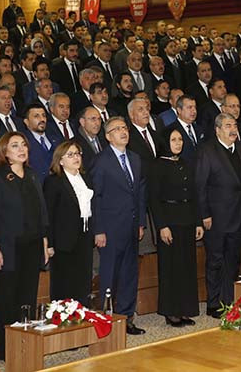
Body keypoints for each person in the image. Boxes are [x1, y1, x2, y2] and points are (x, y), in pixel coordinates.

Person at [0, 132, 50, 360]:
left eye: (23, 145)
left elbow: (41, 211)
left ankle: (25, 345)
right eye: (15, 145)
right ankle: (5, 351)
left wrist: (44, 240)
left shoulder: (32, 175)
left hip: (32, 246)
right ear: (4, 151)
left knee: (27, 298)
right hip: (7, 247)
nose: (22, 149)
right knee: (6, 300)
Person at [91, 116, 146, 335]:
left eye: (125, 128)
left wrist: (141, 221)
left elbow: (141, 192)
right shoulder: (101, 160)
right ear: (107, 136)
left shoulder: (135, 158)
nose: (123, 131)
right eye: (117, 129)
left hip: (132, 226)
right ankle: (104, 322)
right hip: (110, 228)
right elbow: (96, 197)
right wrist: (99, 229)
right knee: (109, 275)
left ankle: (126, 319)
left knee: (129, 274)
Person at [196, 113, 241, 317]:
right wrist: (204, 214)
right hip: (216, 216)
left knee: (233, 259)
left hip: (240, 215)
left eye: (235, 125)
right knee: (215, 260)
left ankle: (229, 299)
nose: (233, 129)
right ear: (217, 129)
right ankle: (213, 303)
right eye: (228, 125)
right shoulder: (207, 150)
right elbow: (200, 185)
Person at [149, 127, 203, 327]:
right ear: (165, 142)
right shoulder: (157, 166)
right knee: (171, 267)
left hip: (188, 219)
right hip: (169, 221)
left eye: (180, 139)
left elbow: (195, 195)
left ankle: (185, 309)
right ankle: (171, 311)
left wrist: (198, 222)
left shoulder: (185, 163)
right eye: (173, 139)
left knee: (187, 267)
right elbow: (153, 199)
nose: (178, 143)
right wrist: (162, 226)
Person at [44, 141, 94, 305]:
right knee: (64, 282)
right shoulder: (54, 181)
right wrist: (49, 243)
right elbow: (48, 214)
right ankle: (62, 319)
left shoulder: (85, 177)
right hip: (63, 240)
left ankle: (82, 314)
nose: (76, 157)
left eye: (78, 153)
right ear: (60, 160)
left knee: (83, 279)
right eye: (70, 154)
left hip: (84, 235)